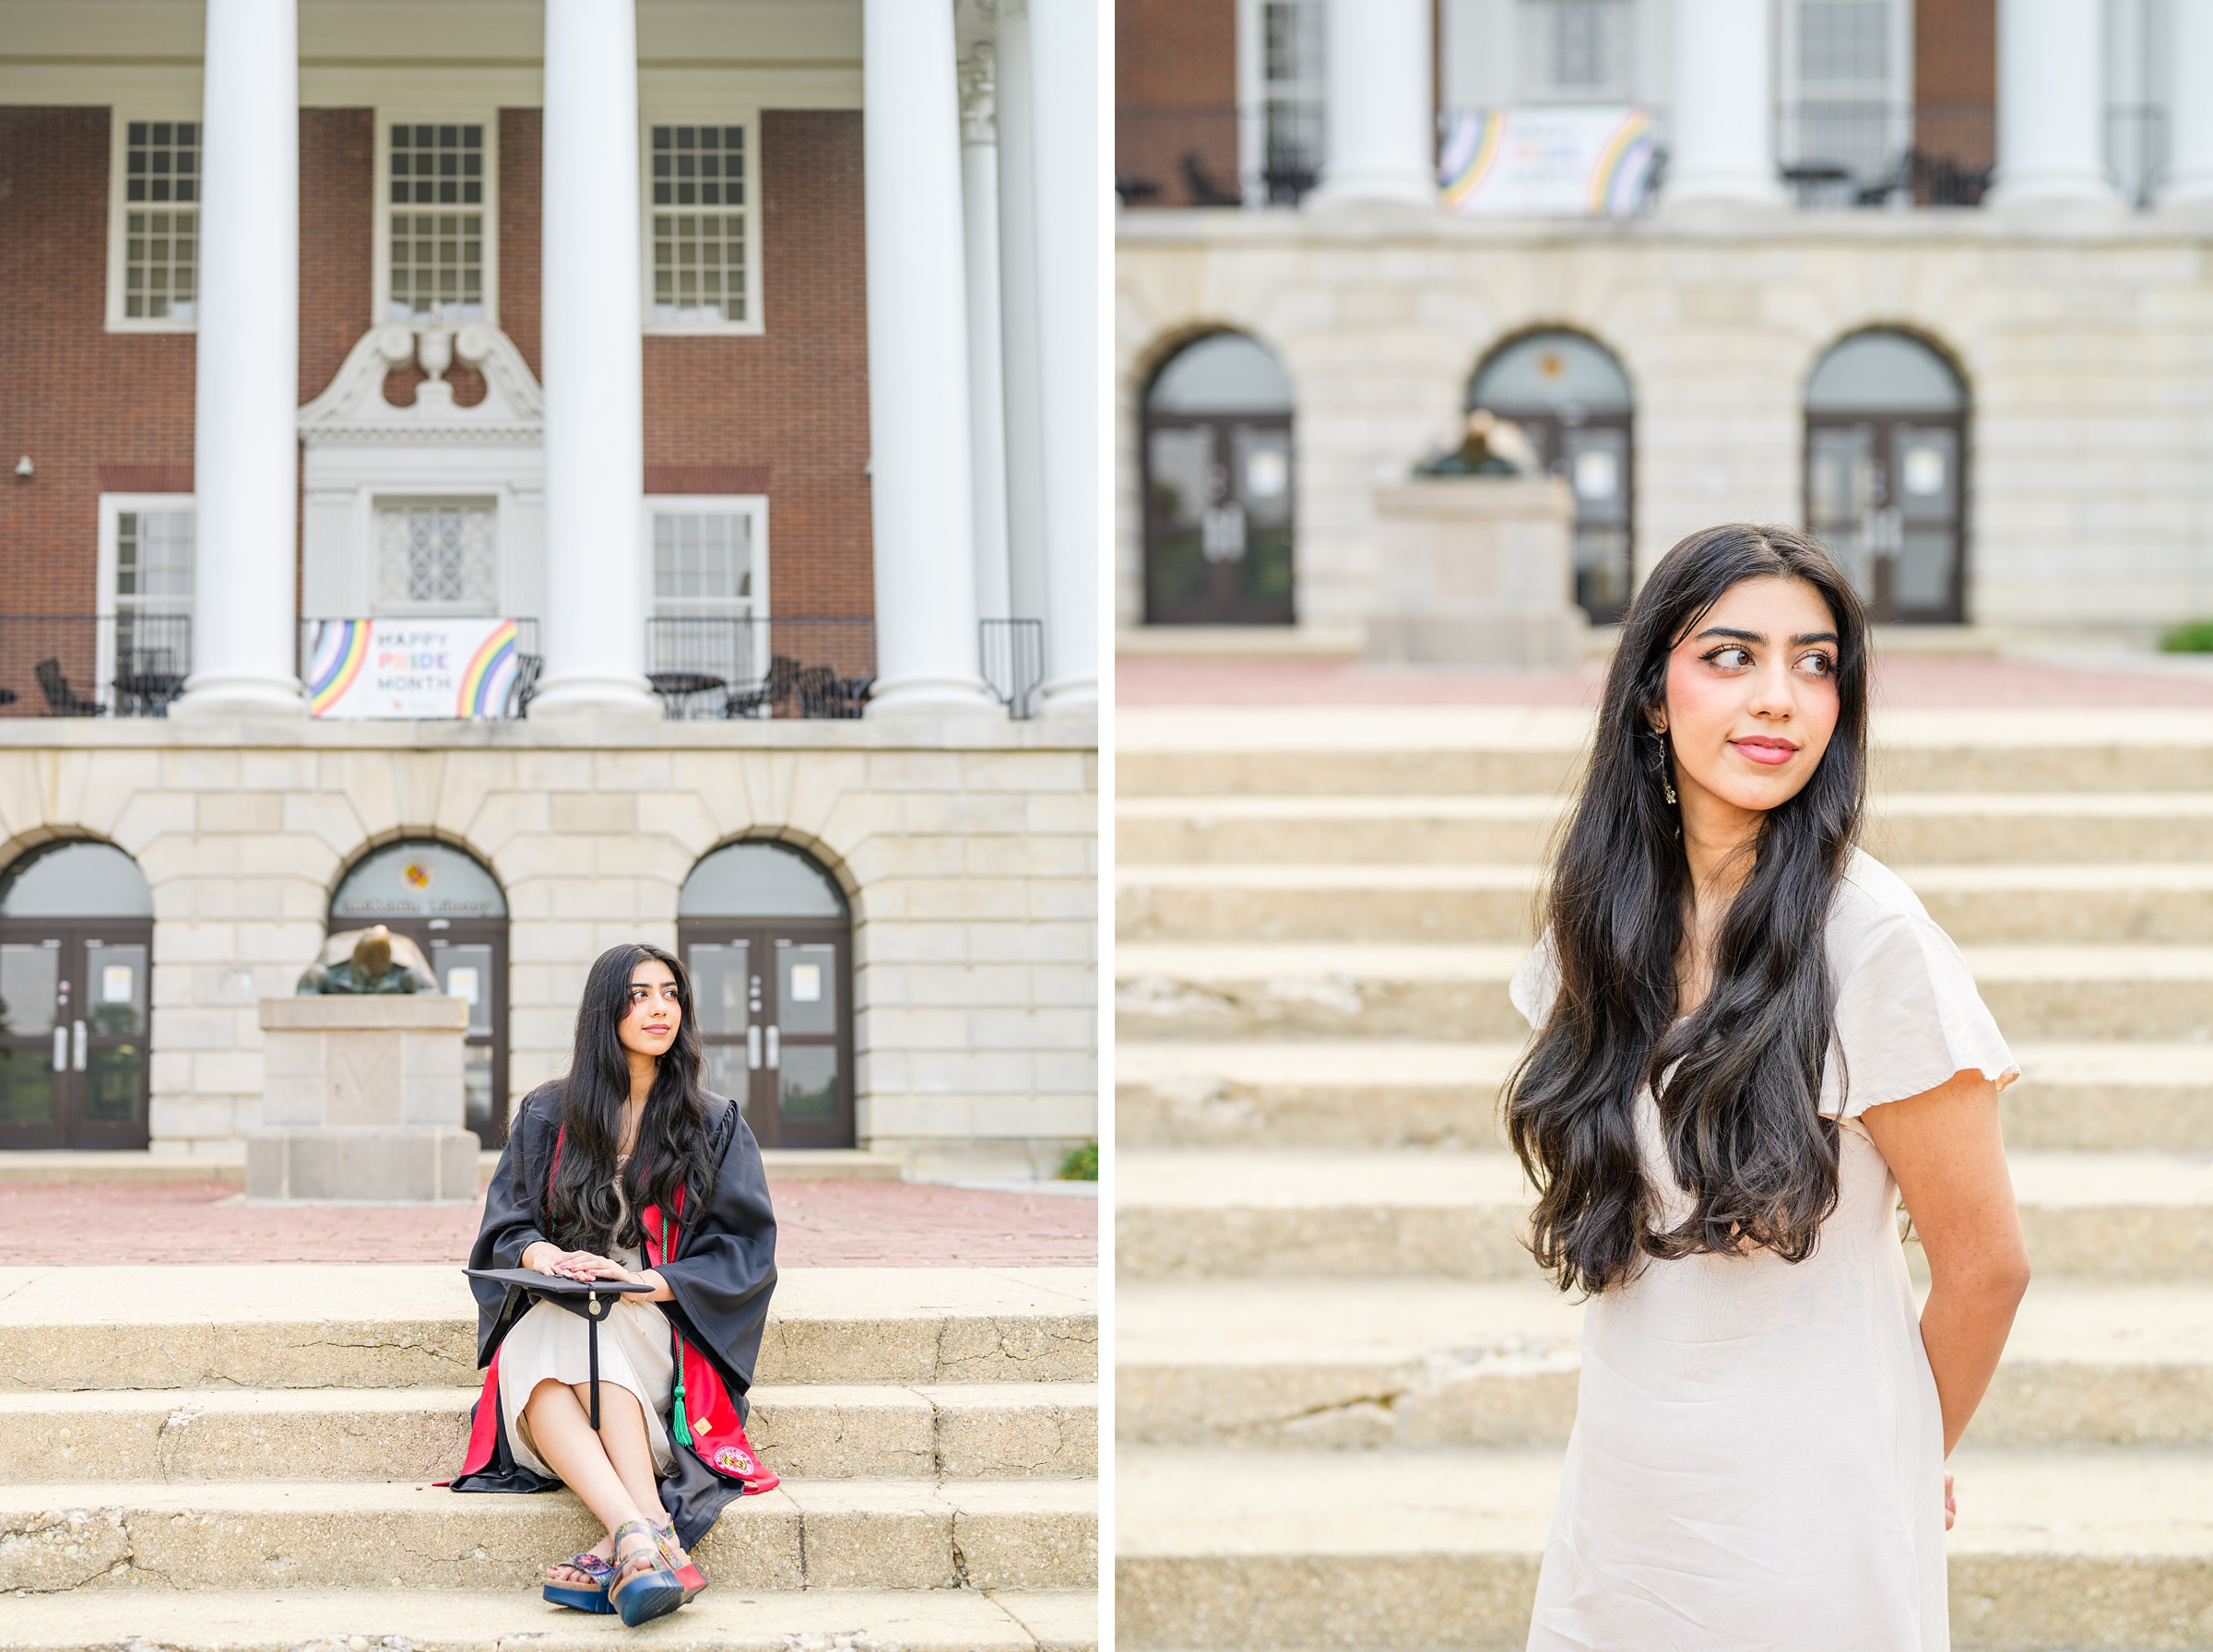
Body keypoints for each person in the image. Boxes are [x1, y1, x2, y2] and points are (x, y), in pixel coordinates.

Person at [1506, 524, 2030, 1651]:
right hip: (1624, 1498)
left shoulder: (1873, 939)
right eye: (1732, 655)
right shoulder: (1601, 925)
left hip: (1811, 1522)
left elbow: (1987, 1265)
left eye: (1816, 661)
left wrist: (1908, 1446)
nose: (1781, 698)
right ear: (1653, 695)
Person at [450, 941, 777, 1626]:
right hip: (571, 1323)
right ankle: (643, 1530)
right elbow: (506, 1226)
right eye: (638, 995)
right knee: (559, 1316)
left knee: (578, 1318)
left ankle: (629, 1532)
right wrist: (548, 1259)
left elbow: (745, 1251)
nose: (659, 1008)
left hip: (662, 1333)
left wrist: (641, 1284)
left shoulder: (712, 1122)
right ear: (607, 1011)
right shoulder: (549, 1113)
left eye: (669, 993)